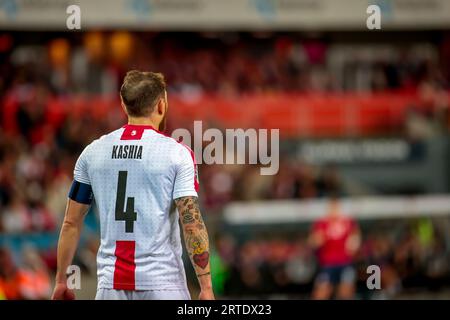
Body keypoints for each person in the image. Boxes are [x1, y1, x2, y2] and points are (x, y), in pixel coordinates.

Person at [51, 70, 214, 300]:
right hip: (162, 284)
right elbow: (191, 223)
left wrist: (61, 280)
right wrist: (206, 287)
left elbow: (70, 223)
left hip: (110, 286)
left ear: (124, 105)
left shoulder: (93, 152)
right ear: (161, 105)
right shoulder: (177, 154)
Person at [309, 196, 361, 299]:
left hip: (345, 262)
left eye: (336, 207)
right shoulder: (322, 223)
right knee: (322, 291)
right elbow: (314, 240)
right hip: (328, 264)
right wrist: (317, 240)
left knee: (346, 291)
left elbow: (356, 237)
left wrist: (354, 244)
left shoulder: (349, 222)